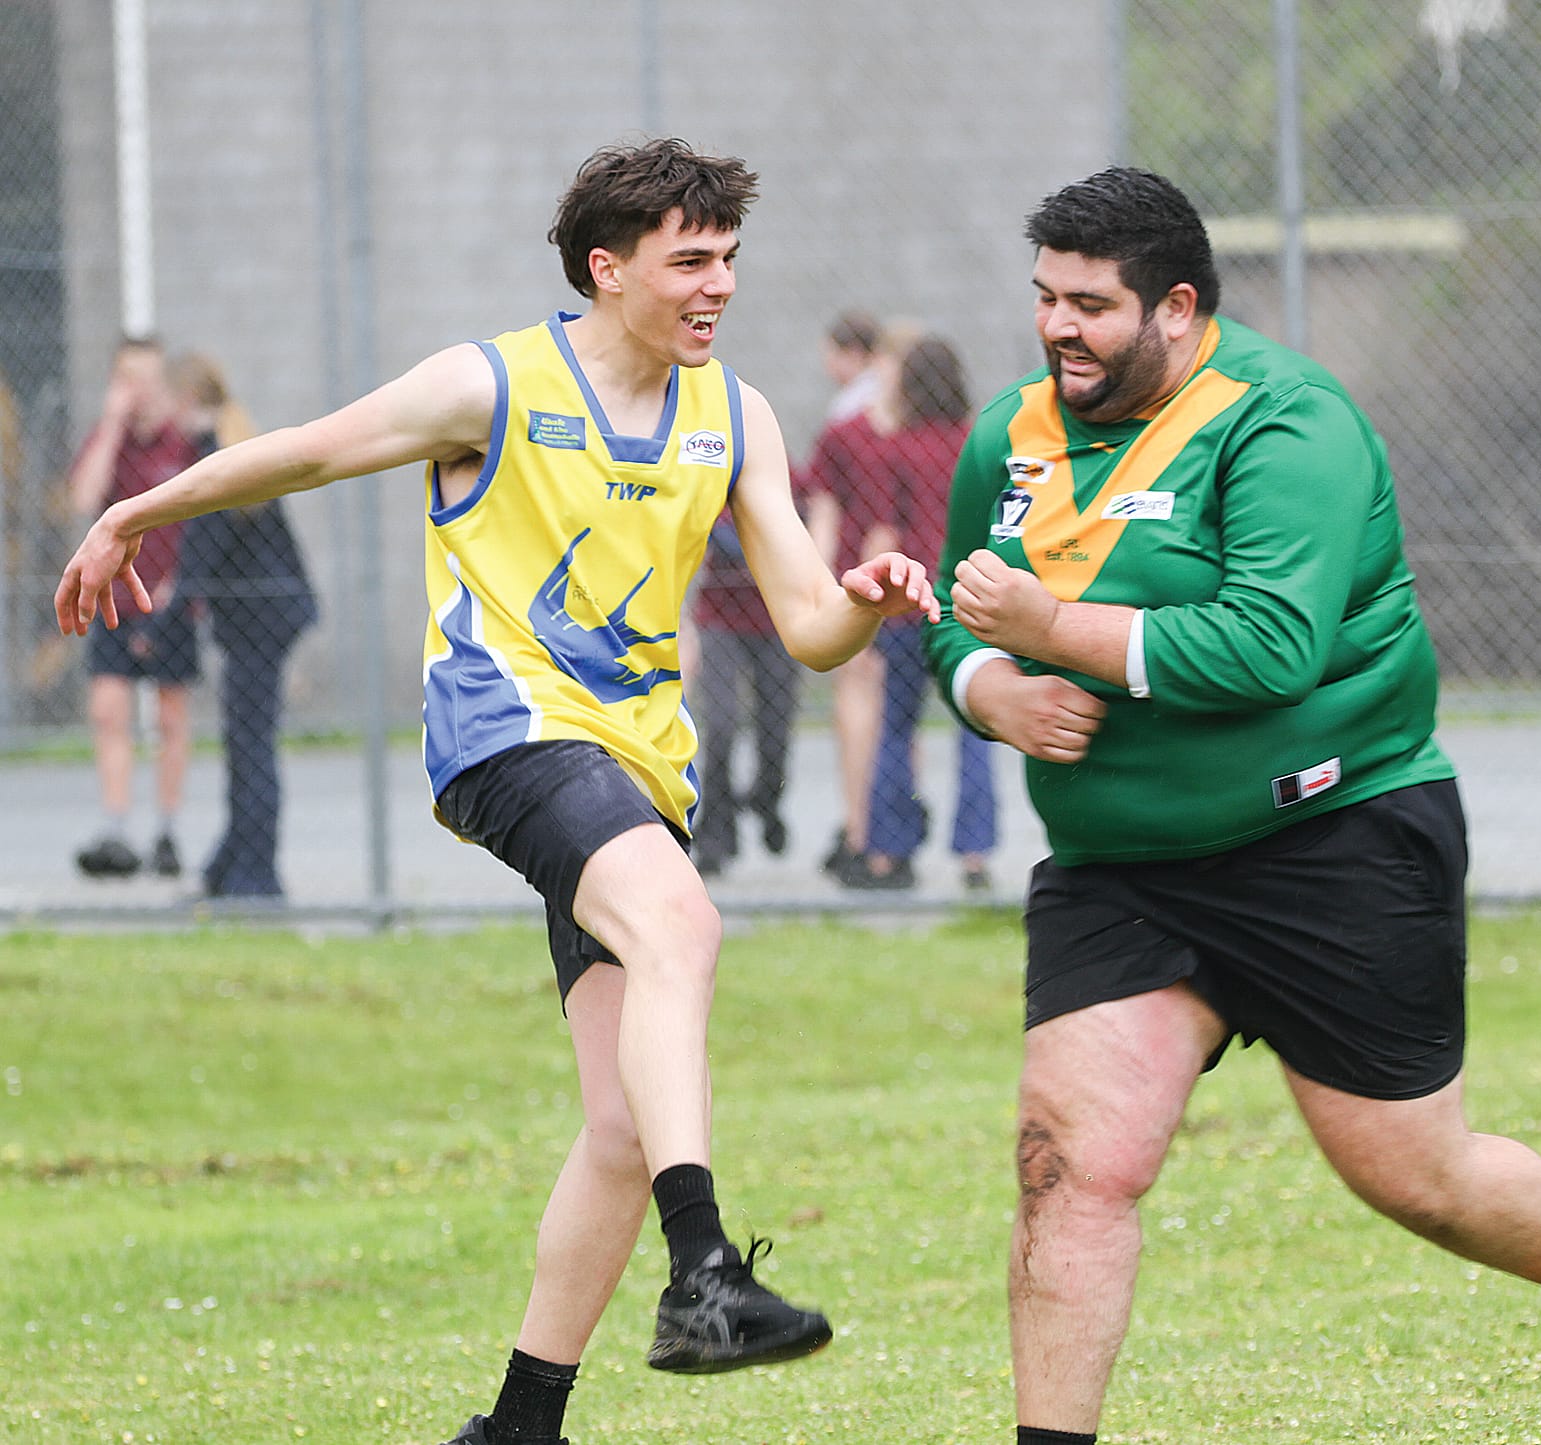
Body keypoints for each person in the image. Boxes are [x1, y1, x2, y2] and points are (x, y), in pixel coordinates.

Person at [56, 138, 940, 1445]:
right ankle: (703, 1274)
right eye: (690, 263)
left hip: (636, 769)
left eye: (729, 262)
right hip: (509, 731)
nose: (719, 289)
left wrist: (863, 609)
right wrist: (138, 514)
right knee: (684, 924)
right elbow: (307, 450)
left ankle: (519, 1423)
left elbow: (807, 623)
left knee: (622, 1128)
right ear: (608, 267)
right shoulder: (497, 382)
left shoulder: (732, 416)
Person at [922, 167, 1541, 1445]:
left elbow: (1267, 645)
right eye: (1044, 297)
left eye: (1090, 305)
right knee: (1070, 1164)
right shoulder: (1010, 434)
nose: (1056, 328)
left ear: (1176, 307)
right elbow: (959, 602)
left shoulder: (1287, 422)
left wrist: (1052, 628)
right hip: (1120, 864)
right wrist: (991, 684)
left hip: (1330, 838)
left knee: (1417, 1180)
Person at [840, 335, 998, 893]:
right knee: (976, 726)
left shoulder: (896, 447)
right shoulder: (976, 444)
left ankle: (888, 852)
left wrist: (862, 610)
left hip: (908, 603)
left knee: (896, 728)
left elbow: (883, 532)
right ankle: (975, 854)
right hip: (966, 602)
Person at [173, 353, 318, 901]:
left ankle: (256, 876)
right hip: (262, 621)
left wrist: (168, 616)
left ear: (186, 400)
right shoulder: (230, 449)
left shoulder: (220, 457)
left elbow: (199, 554)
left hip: (262, 624)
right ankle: (231, 865)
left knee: (251, 747)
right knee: (247, 743)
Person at [66, 336, 200, 879]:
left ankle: (166, 831)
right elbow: (81, 499)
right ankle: (116, 829)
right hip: (113, 601)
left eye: (146, 378)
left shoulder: (182, 444)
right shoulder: (109, 441)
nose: (137, 391)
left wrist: (180, 586)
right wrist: (113, 425)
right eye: (127, 378)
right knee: (109, 710)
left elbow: (200, 520)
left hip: (168, 602)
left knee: (170, 716)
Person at [798, 320, 918, 880]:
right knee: (896, 716)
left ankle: (861, 829)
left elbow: (826, 510)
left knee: (865, 709)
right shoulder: (926, 435)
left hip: (863, 583)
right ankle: (888, 828)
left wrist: (820, 583)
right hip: (896, 583)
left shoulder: (850, 430)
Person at [683, 504, 799, 876]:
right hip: (719, 620)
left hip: (777, 621)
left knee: (776, 729)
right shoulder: (711, 474)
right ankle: (716, 835)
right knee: (720, 726)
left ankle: (767, 801)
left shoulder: (788, 480)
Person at [820, 309, 883, 423]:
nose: (827, 363)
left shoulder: (851, 402)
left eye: (833, 353)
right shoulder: (889, 391)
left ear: (854, 354)